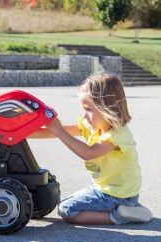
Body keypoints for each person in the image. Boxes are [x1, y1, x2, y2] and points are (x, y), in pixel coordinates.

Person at [29, 73, 152, 225]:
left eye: (88, 109)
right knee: (68, 203)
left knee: (67, 209)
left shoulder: (117, 135)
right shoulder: (93, 126)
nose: (84, 116)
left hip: (117, 194)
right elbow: (52, 131)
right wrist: (19, 133)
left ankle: (120, 215)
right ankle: (130, 208)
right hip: (114, 191)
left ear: (107, 107)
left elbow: (88, 153)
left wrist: (59, 130)